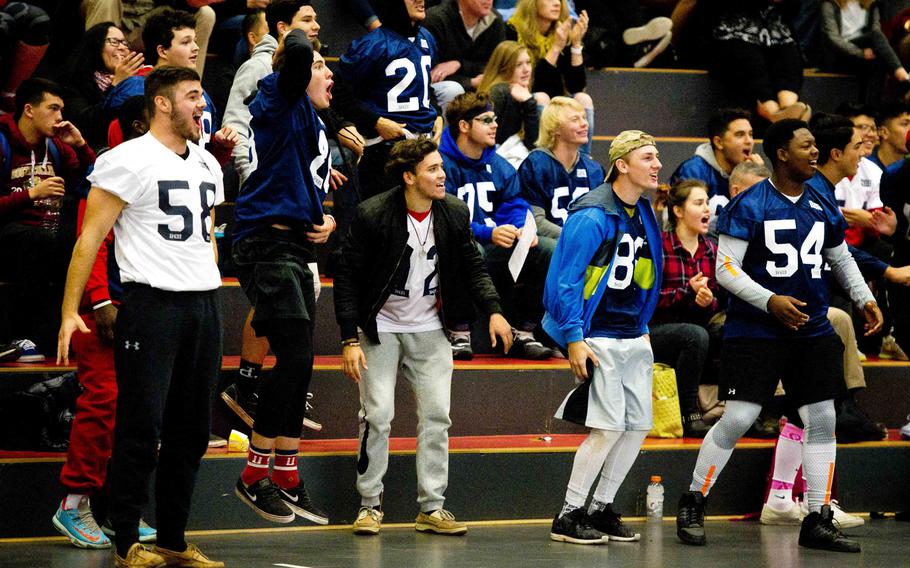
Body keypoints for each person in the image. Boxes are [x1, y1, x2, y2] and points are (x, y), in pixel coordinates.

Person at [675, 119, 882, 553]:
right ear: (782, 154)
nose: (815, 153)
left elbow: (839, 257)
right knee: (737, 418)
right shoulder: (750, 204)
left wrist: (864, 297)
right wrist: (770, 301)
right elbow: (725, 269)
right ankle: (694, 500)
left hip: (811, 328)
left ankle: (817, 517)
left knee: (822, 419)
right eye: (806, 146)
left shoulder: (822, 202)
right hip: (757, 330)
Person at [57, 65, 226, 568]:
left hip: (203, 305)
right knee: (140, 426)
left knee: (192, 432)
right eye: (193, 96)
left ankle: (172, 539)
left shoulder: (207, 164)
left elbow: (208, 232)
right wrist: (71, 310)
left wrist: (208, 278)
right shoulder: (126, 160)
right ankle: (126, 539)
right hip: (152, 307)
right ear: (162, 104)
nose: (202, 105)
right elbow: (89, 238)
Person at [334, 137, 513, 536]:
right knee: (377, 415)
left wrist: (495, 312)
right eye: (433, 169)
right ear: (409, 176)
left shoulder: (452, 212)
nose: (441, 175)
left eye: (441, 168)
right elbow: (346, 278)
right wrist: (349, 339)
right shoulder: (373, 214)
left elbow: (472, 266)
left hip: (431, 329)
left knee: (437, 416)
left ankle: (432, 507)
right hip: (380, 328)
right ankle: (369, 504)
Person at [230, 29, 338, 527]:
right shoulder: (280, 95)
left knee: (302, 362)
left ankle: (288, 474)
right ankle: (255, 474)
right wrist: (296, 40)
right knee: (293, 354)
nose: (328, 73)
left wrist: (327, 219)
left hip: (294, 243)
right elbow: (292, 54)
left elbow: (305, 185)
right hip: (263, 242)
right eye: (321, 66)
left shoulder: (314, 122)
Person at [543, 130, 663, 545]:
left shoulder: (645, 212)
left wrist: (644, 325)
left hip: (633, 333)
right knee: (607, 429)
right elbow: (566, 282)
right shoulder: (592, 214)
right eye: (648, 157)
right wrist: (575, 337)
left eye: (657, 156)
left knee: (637, 427)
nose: (657, 164)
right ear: (622, 164)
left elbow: (646, 275)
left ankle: (600, 508)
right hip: (598, 335)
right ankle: (569, 514)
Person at [51, 97, 154, 551]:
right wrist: (98, 301)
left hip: (143, 303)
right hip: (105, 308)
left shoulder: (150, 168)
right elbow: (93, 242)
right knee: (105, 400)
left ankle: (118, 509)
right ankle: (74, 504)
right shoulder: (112, 172)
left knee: (137, 410)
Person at [439, 91, 554, 360]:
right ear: (464, 126)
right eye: (486, 119)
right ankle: (458, 331)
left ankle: (523, 330)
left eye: (495, 119)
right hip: (453, 250)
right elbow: (446, 221)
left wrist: (521, 230)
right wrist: (488, 232)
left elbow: (514, 203)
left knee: (548, 250)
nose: (495, 125)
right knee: (469, 249)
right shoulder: (441, 164)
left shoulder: (498, 163)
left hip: (494, 245)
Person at [0, 77, 97, 357]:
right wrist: (31, 195)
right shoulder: (4, 143)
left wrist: (80, 145)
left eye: (61, 110)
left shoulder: (56, 147)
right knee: (39, 241)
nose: (60, 118)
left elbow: (96, 183)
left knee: (80, 242)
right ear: (29, 110)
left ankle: (73, 334)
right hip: (10, 235)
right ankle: (21, 336)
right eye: (53, 109)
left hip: (48, 237)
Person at [333, 0, 443, 200]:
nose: (420, 0)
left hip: (424, 146)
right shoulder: (372, 45)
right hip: (385, 150)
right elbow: (338, 94)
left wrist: (437, 114)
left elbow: (424, 85)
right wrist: (375, 121)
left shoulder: (427, 38)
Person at [651, 180, 722, 438]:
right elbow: (647, 299)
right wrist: (686, 293)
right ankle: (689, 411)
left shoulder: (711, 250)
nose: (707, 210)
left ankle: (735, 407)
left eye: (707, 203)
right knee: (695, 335)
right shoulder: (659, 246)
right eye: (698, 203)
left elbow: (718, 299)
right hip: (656, 328)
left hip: (696, 324)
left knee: (730, 329)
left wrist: (707, 299)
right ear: (679, 211)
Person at [506, 0, 594, 153]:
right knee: (541, 97)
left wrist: (576, 44)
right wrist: (555, 48)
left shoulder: (561, 31)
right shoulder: (513, 31)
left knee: (583, 98)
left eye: (559, 0)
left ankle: (583, 161)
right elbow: (536, 86)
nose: (557, 4)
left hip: (554, 102)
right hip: (521, 99)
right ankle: (542, 156)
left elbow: (576, 86)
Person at [708, 1, 812, 124]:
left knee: (788, 57)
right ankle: (774, 114)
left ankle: (790, 109)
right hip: (735, 28)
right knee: (750, 61)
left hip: (774, 27)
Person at [518, 96, 604, 239]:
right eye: (575, 120)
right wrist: (573, 239)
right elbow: (535, 222)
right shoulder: (536, 164)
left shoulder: (594, 169)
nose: (584, 124)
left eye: (584, 118)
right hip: (551, 245)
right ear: (556, 128)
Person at [57, 22, 144, 151]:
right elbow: (86, 124)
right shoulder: (74, 81)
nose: (122, 47)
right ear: (95, 45)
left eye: (125, 43)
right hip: (97, 151)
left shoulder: (136, 82)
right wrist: (116, 86)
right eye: (114, 41)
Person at [819, 0, 909, 102]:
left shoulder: (871, 4)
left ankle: (871, 110)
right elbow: (833, 38)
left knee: (879, 61)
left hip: (865, 50)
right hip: (839, 55)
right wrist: (860, 53)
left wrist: (868, 50)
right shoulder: (830, 4)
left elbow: (876, 31)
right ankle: (902, 76)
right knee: (875, 38)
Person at [424, 0, 506, 110]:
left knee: (504, 88)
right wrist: (470, 82)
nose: (488, 0)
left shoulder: (495, 20)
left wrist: (460, 64)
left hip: (477, 87)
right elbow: (432, 75)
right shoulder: (436, 20)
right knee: (452, 90)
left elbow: (495, 66)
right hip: (437, 91)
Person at [670, 109, 762, 201]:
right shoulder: (693, 171)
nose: (749, 141)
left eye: (751, 134)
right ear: (719, 142)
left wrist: (757, 178)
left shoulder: (747, 173)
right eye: (740, 135)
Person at [477, 40, 539, 167]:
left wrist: (529, 103)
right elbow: (533, 144)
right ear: (503, 68)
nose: (526, 69)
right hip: (497, 161)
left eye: (528, 63)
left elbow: (532, 144)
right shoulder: (499, 92)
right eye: (518, 65)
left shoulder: (520, 93)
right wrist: (530, 104)